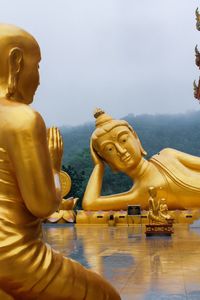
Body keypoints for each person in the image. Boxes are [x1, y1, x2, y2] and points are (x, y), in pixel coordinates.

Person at [0, 24, 120, 300]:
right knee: (105, 295)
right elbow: (43, 206)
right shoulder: (22, 119)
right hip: (14, 256)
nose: (39, 79)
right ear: (16, 62)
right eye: (37, 66)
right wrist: (54, 167)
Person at [82, 109, 200, 211]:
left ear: (136, 138)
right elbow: (90, 203)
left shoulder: (167, 155)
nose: (121, 151)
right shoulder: (140, 193)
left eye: (123, 140)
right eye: (109, 149)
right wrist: (98, 166)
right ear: (106, 160)